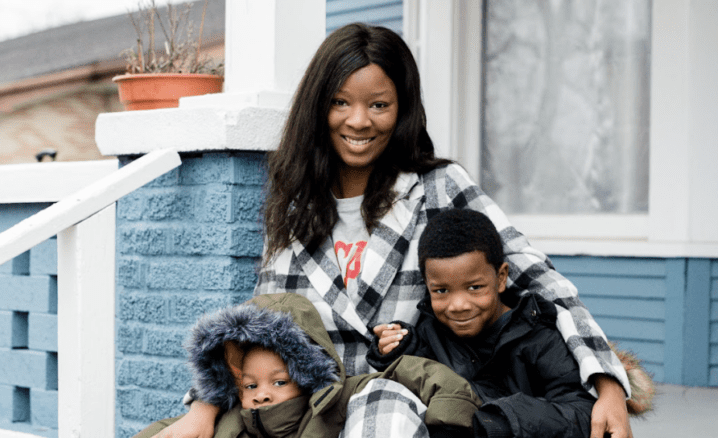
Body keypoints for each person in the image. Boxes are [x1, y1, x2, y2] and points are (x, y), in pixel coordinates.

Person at [138, 22, 633, 438]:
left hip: (403, 399)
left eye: (379, 104)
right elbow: (263, 323)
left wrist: (607, 382)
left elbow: (541, 282)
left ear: (402, 111)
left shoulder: (438, 187)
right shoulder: (292, 205)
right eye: (340, 102)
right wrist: (204, 406)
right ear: (318, 108)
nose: (359, 121)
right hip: (308, 408)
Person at [368, 209, 651, 437]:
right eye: (441, 291)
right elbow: (423, 374)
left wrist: (504, 420)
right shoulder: (432, 333)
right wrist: (398, 347)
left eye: (475, 287)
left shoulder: (539, 336)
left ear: (501, 277)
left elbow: (580, 412)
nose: (458, 305)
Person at [180, 293, 481, 438]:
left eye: (279, 381)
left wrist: (449, 421)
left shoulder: (333, 402)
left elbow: (415, 372)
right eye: (250, 385)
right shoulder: (230, 423)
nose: (262, 394)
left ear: (305, 376)